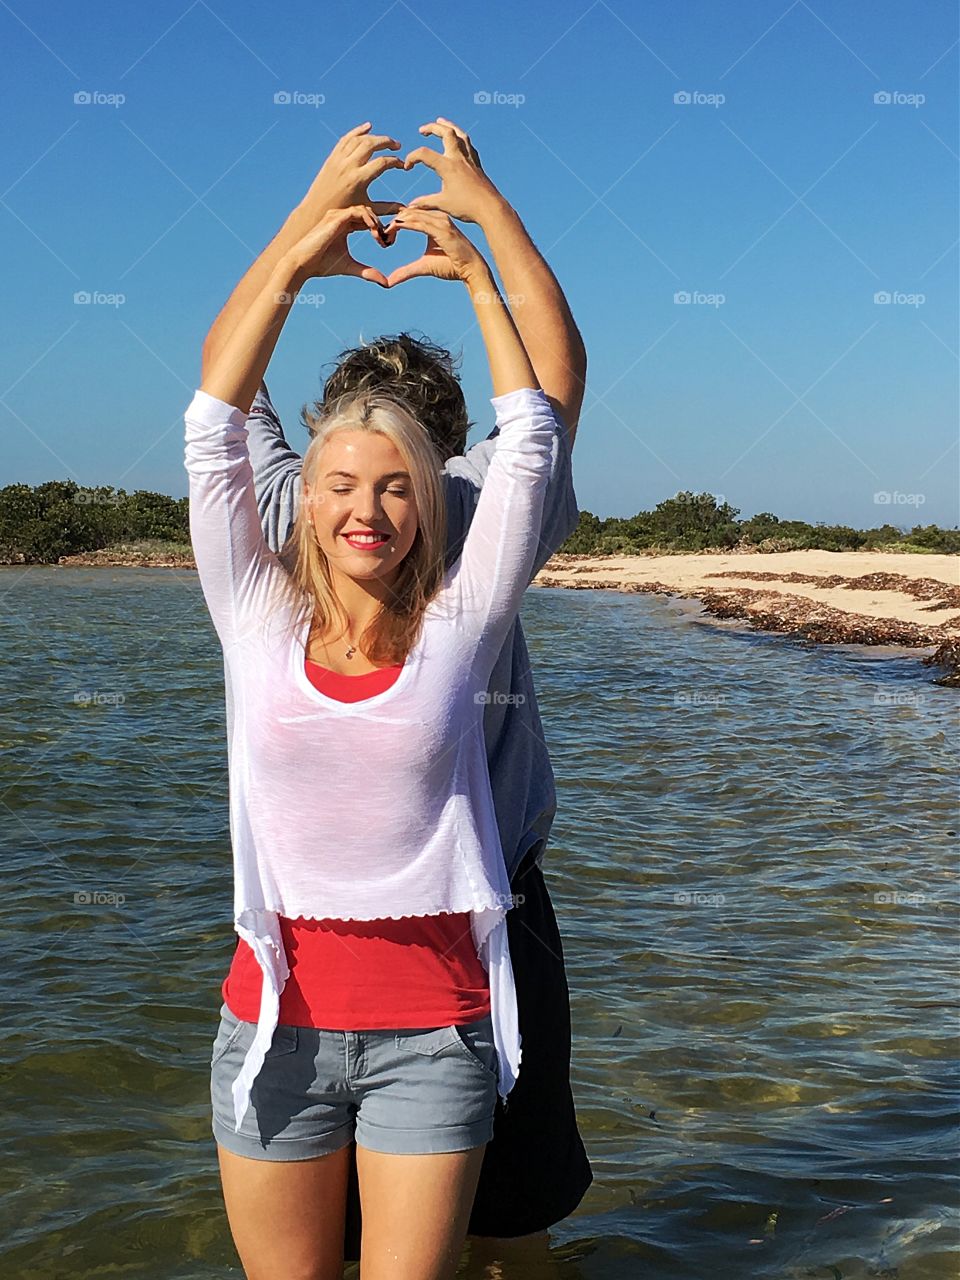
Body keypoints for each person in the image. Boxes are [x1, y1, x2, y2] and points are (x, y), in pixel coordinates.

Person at [200, 121, 593, 1266]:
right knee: (502, 1224)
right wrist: (484, 221)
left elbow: (223, 391)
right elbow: (554, 389)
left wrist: (303, 226)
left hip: (442, 934)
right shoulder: (467, 506)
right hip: (421, 932)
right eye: (345, 478)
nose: (368, 505)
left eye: (393, 476)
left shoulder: (350, 511)